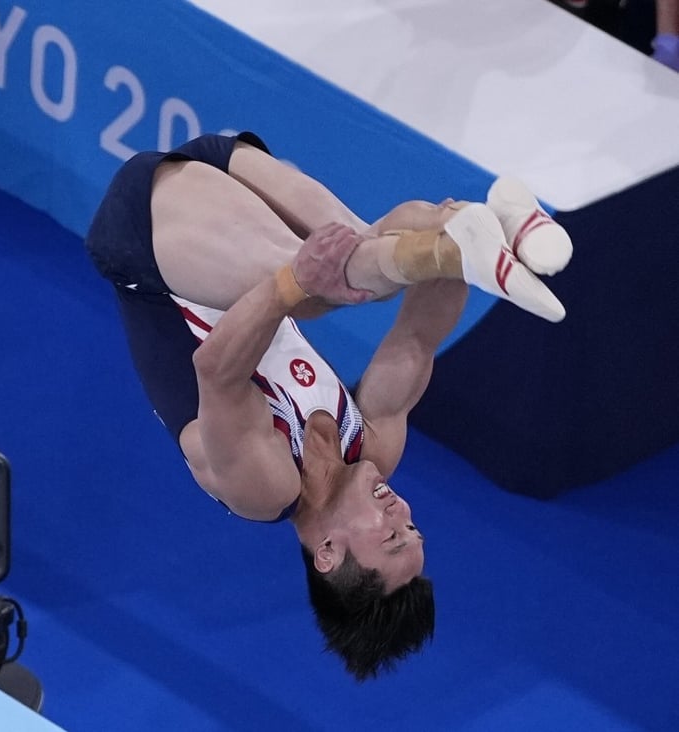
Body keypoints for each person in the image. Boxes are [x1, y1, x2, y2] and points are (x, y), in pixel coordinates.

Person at [84, 132, 572, 680]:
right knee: (371, 257)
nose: (402, 511)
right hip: (225, 183)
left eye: (391, 536)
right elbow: (417, 339)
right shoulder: (372, 449)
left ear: (328, 554)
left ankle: (463, 242)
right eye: (413, 528)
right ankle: (475, 228)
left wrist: (294, 282)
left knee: (324, 290)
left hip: (145, 238)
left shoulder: (262, 489)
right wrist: (455, 267)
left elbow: (216, 371)